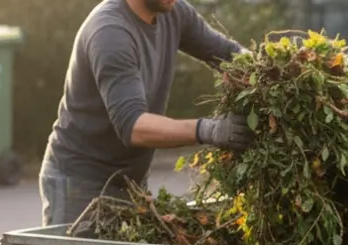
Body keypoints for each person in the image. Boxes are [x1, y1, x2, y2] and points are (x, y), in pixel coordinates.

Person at [39, 0, 253, 227]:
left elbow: (228, 54)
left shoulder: (173, 12)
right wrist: (208, 129)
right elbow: (133, 126)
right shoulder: (110, 32)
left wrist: (274, 68)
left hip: (131, 180)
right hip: (80, 183)